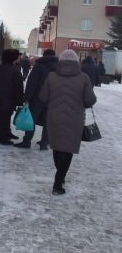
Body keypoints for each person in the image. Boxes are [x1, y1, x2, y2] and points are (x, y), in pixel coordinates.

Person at [39, 49, 96, 195]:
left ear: (61, 61)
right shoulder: (84, 78)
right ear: (77, 62)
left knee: (57, 147)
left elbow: (43, 97)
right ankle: (59, 182)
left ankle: (60, 178)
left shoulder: (51, 76)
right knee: (68, 149)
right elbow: (90, 100)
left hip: (54, 117)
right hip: (75, 119)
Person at [15, 49, 58, 150]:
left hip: (37, 98)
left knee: (32, 120)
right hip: (52, 98)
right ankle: (44, 143)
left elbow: (32, 83)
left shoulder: (39, 66)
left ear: (44, 55)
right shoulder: (58, 67)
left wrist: (27, 98)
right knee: (48, 121)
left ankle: (27, 141)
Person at [0, 49, 24, 145]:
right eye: (18, 56)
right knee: (5, 118)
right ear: (13, 58)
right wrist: (19, 100)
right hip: (9, 99)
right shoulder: (16, 71)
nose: (19, 58)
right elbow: (18, 88)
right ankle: (3, 138)